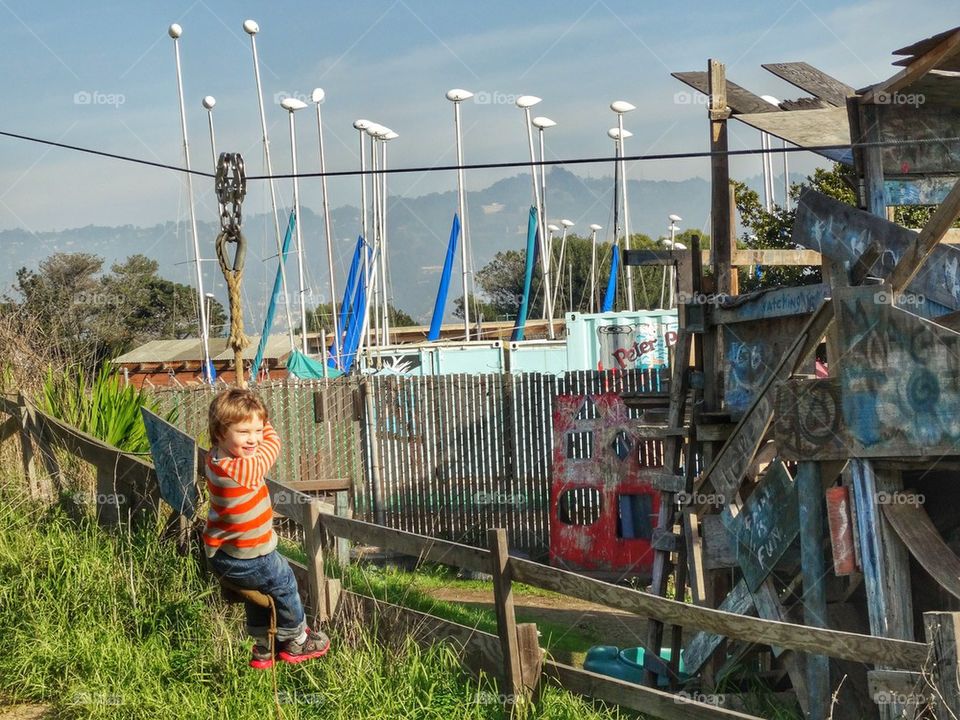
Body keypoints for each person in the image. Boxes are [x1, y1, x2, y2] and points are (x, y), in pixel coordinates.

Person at [204, 388, 329, 669]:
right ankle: (297, 639)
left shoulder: (214, 458)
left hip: (225, 552)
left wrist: (252, 411)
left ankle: (264, 646)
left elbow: (259, 438)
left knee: (261, 594)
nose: (254, 439)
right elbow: (273, 444)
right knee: (284, 583)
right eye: (244, 432)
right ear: (221, 432)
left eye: (257, 430)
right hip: (250, 556)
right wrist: (265, 420)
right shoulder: (243, 470)